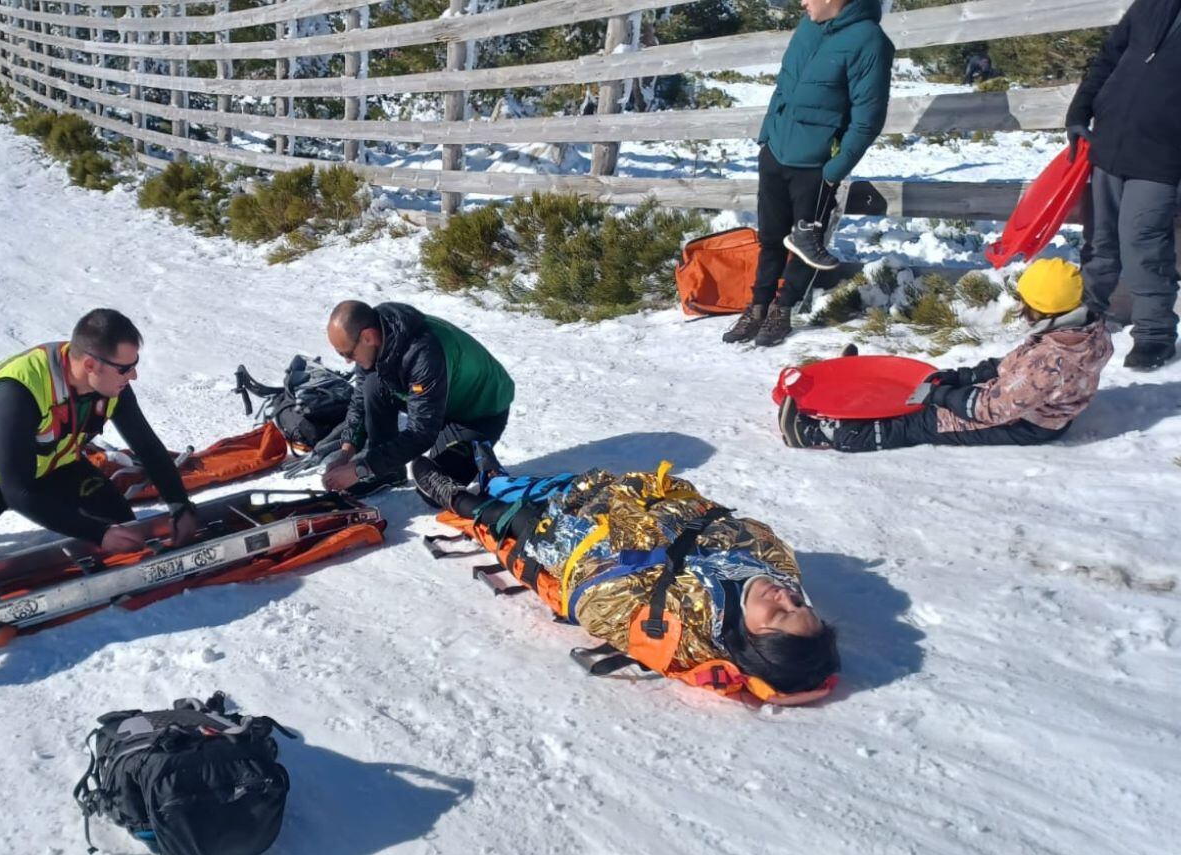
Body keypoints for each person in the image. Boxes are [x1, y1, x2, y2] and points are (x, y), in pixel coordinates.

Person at [412, 460, 840, 702]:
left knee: (523, 523)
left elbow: (598, 600)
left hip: (579, 541)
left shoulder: (682, 626)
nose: (787, 598)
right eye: (800, 606)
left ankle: (455, 496)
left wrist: (619, 528)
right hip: (632, 505)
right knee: (581, 482)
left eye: (780, 615)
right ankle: (495, 476)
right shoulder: (775, 569)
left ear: (752, 640)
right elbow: (738, 526)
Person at [0, 310, 198, 579]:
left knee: (123, 531)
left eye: (134, 365)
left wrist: (180, 505)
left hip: (55, 466)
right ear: (91, 364)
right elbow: (17, 491)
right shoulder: (18, 390)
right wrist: (97, 533)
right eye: (125, 368)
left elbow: (146, 445)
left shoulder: (110, 383)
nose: (133, 375)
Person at [779, 258, 1114, 452]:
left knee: (922, 421)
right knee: (933, 393)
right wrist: (966, 377)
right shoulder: (1083, 332)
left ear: (1046, 311)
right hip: (1028, 402)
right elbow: (1017, 366)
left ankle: (824, 433)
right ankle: (853, 389)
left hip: (1026, 423)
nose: (1021, 308)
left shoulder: (1049, 362)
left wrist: (943, 395)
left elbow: (991, 409)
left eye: (1028, 304)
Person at [724, 0, 894, 348]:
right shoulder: (808, 27)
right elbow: (783, 85)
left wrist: (833, 170)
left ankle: (782, 309)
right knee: (770, 236)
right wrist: (767, 137)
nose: (802, 1)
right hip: (776, 151)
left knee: (805, 245)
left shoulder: (870, 41)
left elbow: (868, 119)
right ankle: (757, 306)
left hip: (816, 164)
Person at [1067, 0, 1181, 371]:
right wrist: (1079, 110)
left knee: (1143, 243)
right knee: (1099, 239)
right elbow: (1109, 57)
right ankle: (1087, 317)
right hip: (1111, 140)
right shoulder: (1151, 4)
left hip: (1163, 155)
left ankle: (1154, 334)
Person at [321, 300, 515, 497]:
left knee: (435, 487)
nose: (347, 361)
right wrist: (346, 452)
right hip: (439, 401)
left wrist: (361, 468)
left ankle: (471, 445)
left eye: (348, 353)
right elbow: (361, 397)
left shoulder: (423, 353)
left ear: (368, 337)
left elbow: (421, 432)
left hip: (479, 411)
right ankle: (388, 471)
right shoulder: (378, 337)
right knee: (373, 383)